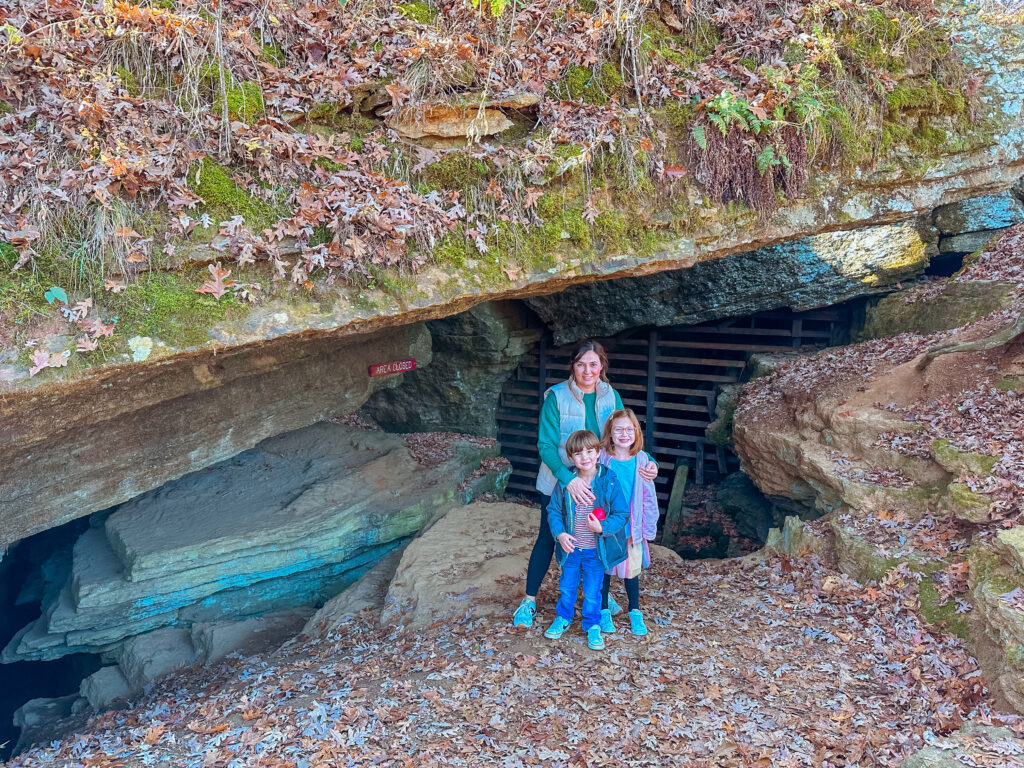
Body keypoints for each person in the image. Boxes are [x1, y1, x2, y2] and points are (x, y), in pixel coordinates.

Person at [512, 340, 658, 628]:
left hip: (599, 483)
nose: (587, 370)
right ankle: (528, 601)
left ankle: (599, 598)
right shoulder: (556, 396)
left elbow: (621, 436)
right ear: (573, 366)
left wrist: (648, 460)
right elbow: (546, 444)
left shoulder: (610, 395)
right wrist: (568, 481)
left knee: (597, 536)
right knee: (548, 537)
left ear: (601, 366)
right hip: (560, 482)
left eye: (593, 364)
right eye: (581, 364)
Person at [543, 430, 630, 650]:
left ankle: (592, 625)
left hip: (596, 550)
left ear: (599, 452)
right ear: (571, 458)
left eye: (590, 451)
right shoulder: (566, 482)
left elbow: (621, 513)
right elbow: (553, 510)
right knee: (567, 587)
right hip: (571, 549)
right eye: (578, 454)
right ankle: (563, 617)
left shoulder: (608, 480)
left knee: (593, 591)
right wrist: (560, 534)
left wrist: (603, 527)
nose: (585, 457)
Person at [598, 408, 660, 636]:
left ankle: (634, 610)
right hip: (607, 525)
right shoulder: (602, 458)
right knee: (604, 569)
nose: (624, 434)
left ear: (636, 432)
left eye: (629, 429)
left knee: (631, 572)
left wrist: (648, 527)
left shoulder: (642, 460)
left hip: (631, 527)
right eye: (618, 430)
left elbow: (649, 497)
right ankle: (603, 610)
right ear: (610, 433)